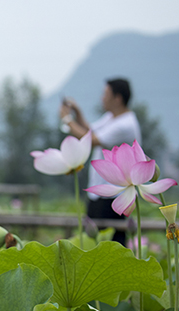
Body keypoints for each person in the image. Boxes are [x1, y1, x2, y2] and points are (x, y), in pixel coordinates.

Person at [60, 78, 141, 245]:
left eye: (105, 94)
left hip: (115, 194)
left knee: (111, 245)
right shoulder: (112, 117)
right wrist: (77, 113)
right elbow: (91, 130)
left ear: (117, 98)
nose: (102, 98)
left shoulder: (125, 125)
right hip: (101, 192)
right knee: (93, 241)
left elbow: (92, 140)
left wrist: (67, 120)